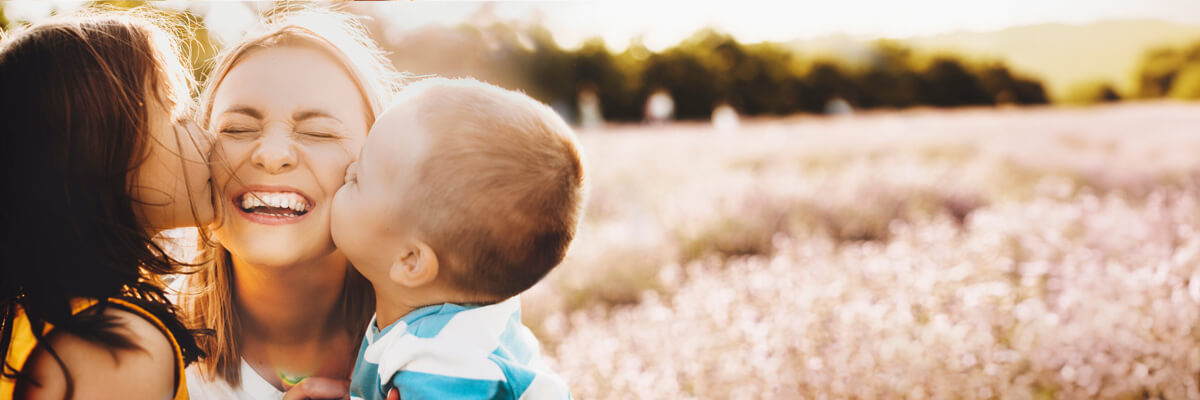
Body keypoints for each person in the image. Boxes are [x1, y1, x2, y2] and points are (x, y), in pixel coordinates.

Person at [176, 8, 402, 400]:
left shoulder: (458, 345)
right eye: (237, 129)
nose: (273, 154)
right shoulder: (139, 354)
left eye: (319, 132)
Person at [0, 11, 213, 400]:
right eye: (177, 112)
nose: (206, 135)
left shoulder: (38, 316)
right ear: (98, 153)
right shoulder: (118, 352)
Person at [330, 78, 582, 400]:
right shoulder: (479, 317)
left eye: (357, 179)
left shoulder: (441, 363)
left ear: (410, 260)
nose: (346, 169)